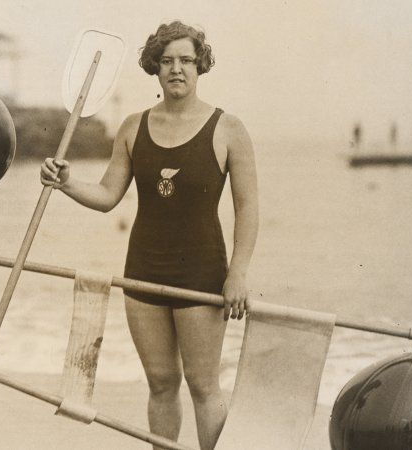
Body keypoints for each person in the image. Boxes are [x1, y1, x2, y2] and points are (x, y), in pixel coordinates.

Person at [40, 21, 259, 450]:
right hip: (143, 270)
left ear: (201, 67)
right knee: (160, 383)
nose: (176, 69)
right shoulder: (132, 127)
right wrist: (66, 182)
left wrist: (238, 274)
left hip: (202, 274)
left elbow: (248, 209)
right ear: (154, 68)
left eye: (186, 61)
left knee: (202, 386)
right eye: (167, 61)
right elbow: (107, 195)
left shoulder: (228, 129)